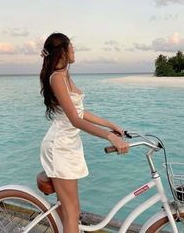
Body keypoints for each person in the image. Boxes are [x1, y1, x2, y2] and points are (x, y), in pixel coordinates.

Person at [39, 32, 129, 233]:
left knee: (69, 208)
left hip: (68, 146)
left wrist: (111, 125)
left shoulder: (65, 76)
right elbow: (75, 120)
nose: (74, 51)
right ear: (62, 51)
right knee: (73, 212)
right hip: (59, 147)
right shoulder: (57, 78)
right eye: (71, 47)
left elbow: (80, 112)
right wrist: (109, 136)